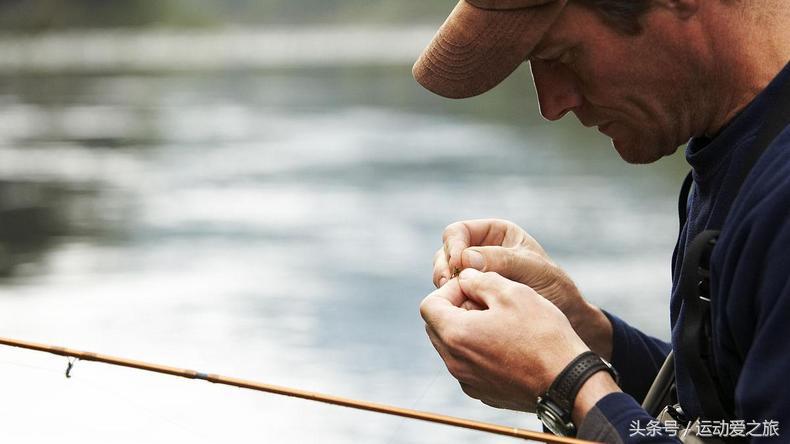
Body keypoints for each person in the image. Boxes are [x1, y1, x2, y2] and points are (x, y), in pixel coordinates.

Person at [413, 0, 790, 442]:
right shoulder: (739, 149)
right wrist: (587, 333)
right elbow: (740, 412)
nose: (552, 104)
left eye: (557, 55)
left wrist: (570, 383)